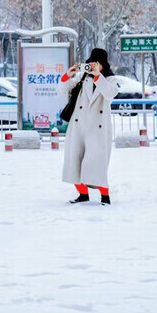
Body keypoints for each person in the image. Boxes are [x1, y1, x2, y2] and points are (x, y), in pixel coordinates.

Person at [59, 47, 120, 205]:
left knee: (96, 163)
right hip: (79, 126)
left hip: (98, 128)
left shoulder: (110, 79)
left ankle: (105, 197)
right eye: (91, 63)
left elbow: (110, 94)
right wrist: (69, 73)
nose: (93, 66)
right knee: (75, 161)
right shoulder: (81, 77)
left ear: (103, 64)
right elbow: (63, 88)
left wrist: (98, 76)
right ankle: (82, 194)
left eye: (96, 63)